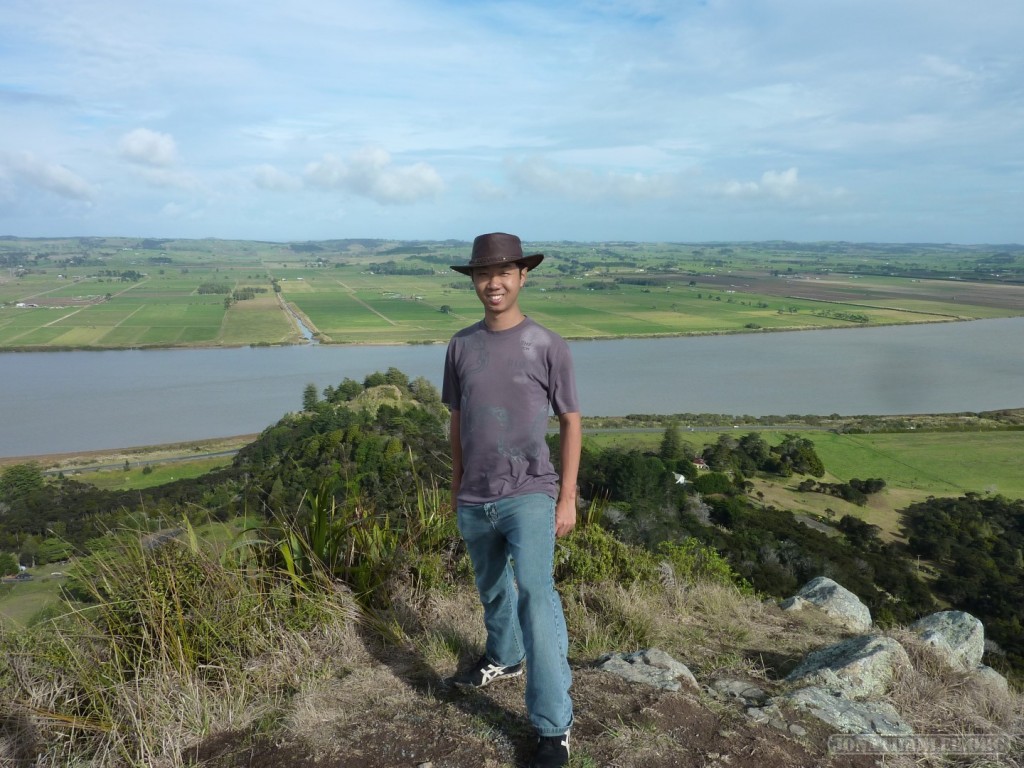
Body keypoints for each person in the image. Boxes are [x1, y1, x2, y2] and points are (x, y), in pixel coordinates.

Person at [442, 232, 581, 768]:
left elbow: (571, 421)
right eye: (483, 274)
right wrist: (455, 486)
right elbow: (457, 420)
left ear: (523, 276)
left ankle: (553, 728)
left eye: (504, 272)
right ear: (473, 281)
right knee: (491, 587)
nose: (493, 282)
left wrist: (566, 498)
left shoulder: (546, 344)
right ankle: (505, 657)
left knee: (535, 595)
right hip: (474, 494)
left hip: (530, 491)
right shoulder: (460, 345)